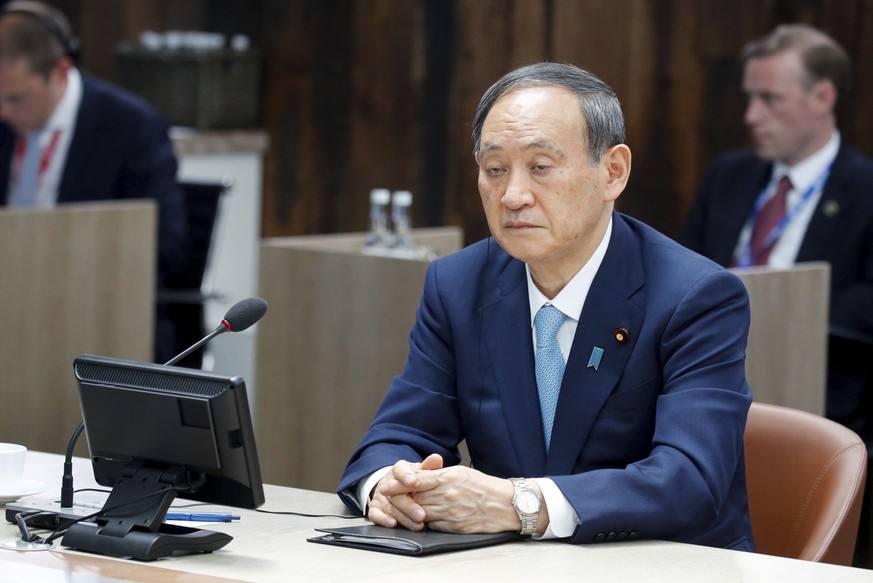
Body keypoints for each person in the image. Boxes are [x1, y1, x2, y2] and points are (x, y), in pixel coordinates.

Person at [337, 62, 756, 551]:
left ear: (613, 173)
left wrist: (520, 504)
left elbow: (689, 479)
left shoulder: (695, 295)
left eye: (541, 167)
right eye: (495, 170)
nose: (513, 195)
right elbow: (397, 434)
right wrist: (389, 486)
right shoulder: (457, 284)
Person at [680, 24, 873, 446]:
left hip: (818, 401)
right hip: (707, 386)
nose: (751, 116)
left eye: (769, 99)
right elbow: (680, 273)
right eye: (750, 97)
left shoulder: (864, 190)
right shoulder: (727, 176)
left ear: (823, 97)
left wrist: (786, 305)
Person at [0, 1, 189, 363]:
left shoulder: (132, 128)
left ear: (60, 71)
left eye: (16, 99)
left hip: (99, 310)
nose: (3, 112)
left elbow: (167, 248)